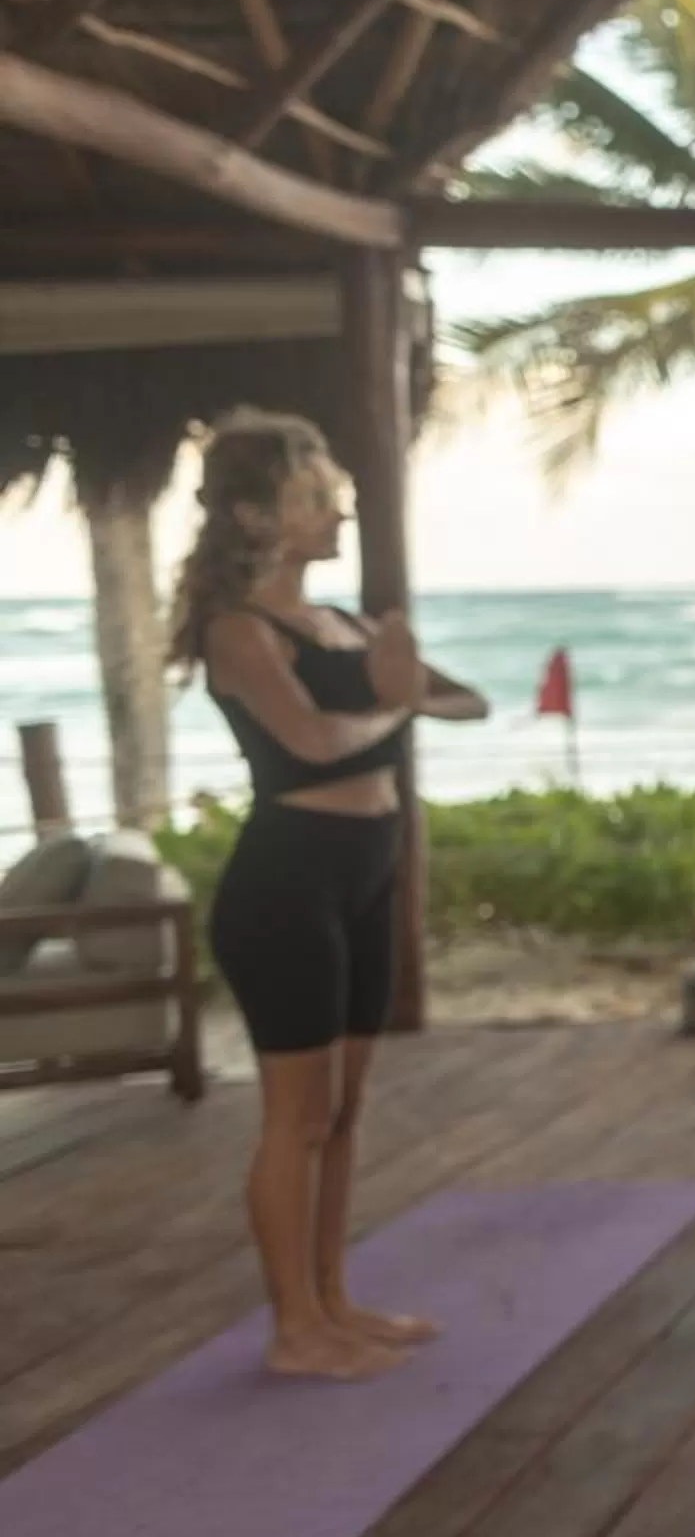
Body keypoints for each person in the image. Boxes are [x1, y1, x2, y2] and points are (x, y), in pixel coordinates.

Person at [172, 408, 488, 1381]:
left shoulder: (349, 625)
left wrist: (406, 685)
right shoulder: (240, 631)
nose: (339, 508)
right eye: (314, 495)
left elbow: (467, 699)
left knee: (344, 1112)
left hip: (367, 871)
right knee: (298, 1116)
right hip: (287, 884)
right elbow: (311, 743)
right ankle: (294, 1329)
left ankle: (332, 1299)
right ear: (253, 516)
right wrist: (398, 701)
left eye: (335, 493)